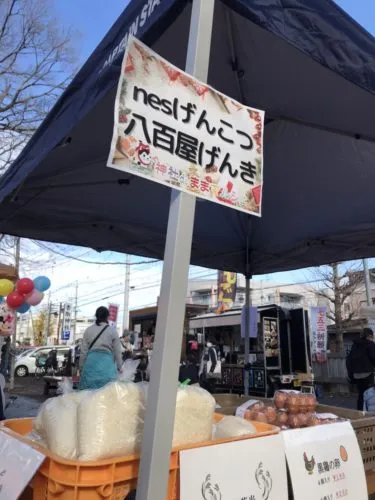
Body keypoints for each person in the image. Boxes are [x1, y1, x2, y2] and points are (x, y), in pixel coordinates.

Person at [79, 306, 123, 390]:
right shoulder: (112, 331)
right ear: (107, 316)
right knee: (106, 396)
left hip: (90, 367)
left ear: (96, 316)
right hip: (107, 368)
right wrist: (120, 367)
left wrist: (81, 368)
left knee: (87, 397)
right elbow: (118, 352)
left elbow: (83, 352)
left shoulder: (88, 330)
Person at [347, 327, 375, 410]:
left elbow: (349, 360)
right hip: (368, 373)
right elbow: (373, 358)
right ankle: (368, 413)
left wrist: (351, 375)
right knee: (369, 394)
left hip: (356, 375)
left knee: (361, 394)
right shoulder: (370, 344)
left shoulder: (355, 345)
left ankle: (359, 411)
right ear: (369, 336)